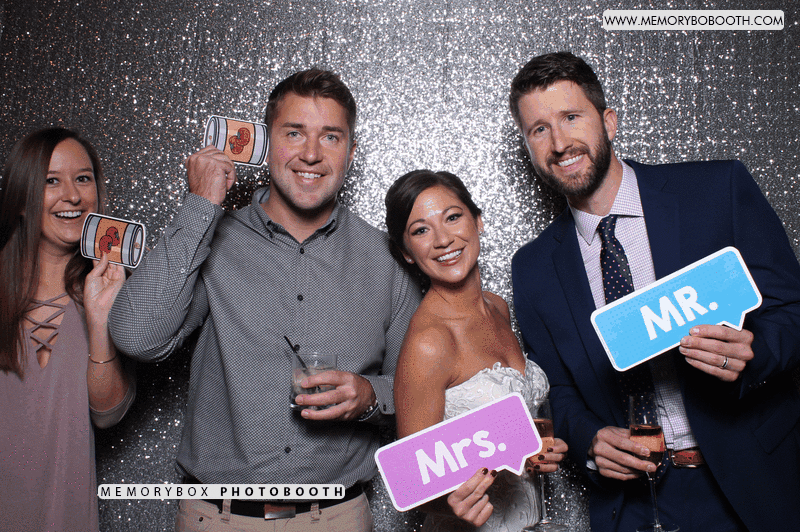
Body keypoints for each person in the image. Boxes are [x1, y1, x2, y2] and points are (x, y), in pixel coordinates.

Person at [108, 69, 421, 531]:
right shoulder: (214, 240)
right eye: (294, 133)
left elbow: (417, 389)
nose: (311, 153)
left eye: (330, 137)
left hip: (336, 518)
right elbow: (137, 337)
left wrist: (371, 396)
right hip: (217, 519)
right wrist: (201, 205)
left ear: (351, 152)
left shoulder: (386, 258)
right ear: (265, 143)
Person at [509, 51, 800, 532]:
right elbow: (557, 387)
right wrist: (590, 438)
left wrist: (756, 351)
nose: (559, 142)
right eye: (539, 129)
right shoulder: (534, 267)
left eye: (571, 117)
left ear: (609, 121)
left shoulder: (716, 191)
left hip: (751, 481)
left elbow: (791, 308)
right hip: (633, 505)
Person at [385, 169, 567, 531]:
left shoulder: (497, 307)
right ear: (407, 253)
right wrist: (451, 503)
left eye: (453, 217)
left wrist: (533, 450)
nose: (443, 239)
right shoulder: (430, 342)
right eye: (421, 230)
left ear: (478, 221)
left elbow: (504, 431)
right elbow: (410, 481)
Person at [0, 127, 136, 532]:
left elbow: (109, 413)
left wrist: (99, 318)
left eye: (83, 178)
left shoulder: (116, 289)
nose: (73, 196)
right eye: (51, 181)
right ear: (21, 198)